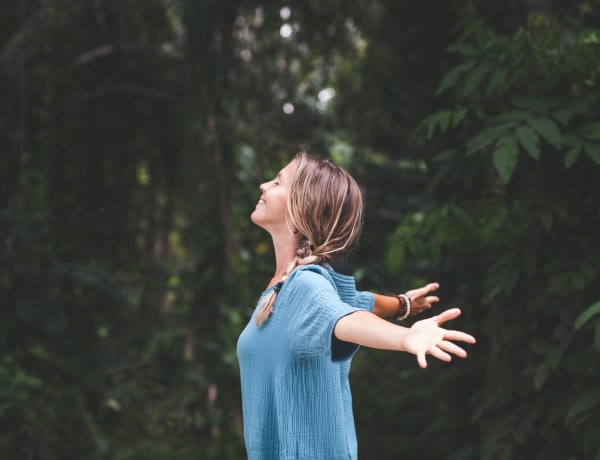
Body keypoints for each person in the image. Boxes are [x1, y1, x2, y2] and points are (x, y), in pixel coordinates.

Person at [236, 151, 476, 459]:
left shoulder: (306, 286)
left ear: (300, 208)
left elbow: (346, 319)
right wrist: (401, 305)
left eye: (277, 181)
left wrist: (404, 338)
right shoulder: (282, 289)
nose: (263, 185)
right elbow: (356, 303)